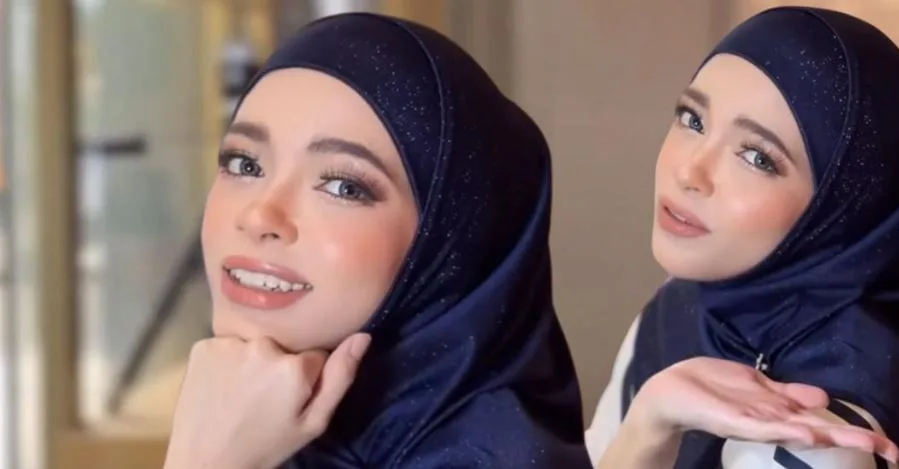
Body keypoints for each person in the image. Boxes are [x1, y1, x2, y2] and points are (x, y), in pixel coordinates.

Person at [163, 12, 592, 469]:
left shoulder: (481, 457)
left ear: (447, 243)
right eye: (245, 164)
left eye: (343, 187)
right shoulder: (286, 414)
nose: (259, 216)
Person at [586, 6, 899, 468]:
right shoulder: (684, 307)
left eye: (757, 157)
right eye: (693, 119)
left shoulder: (820, 433)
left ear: (843, 206)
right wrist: (650, 420)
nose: (690, 172)